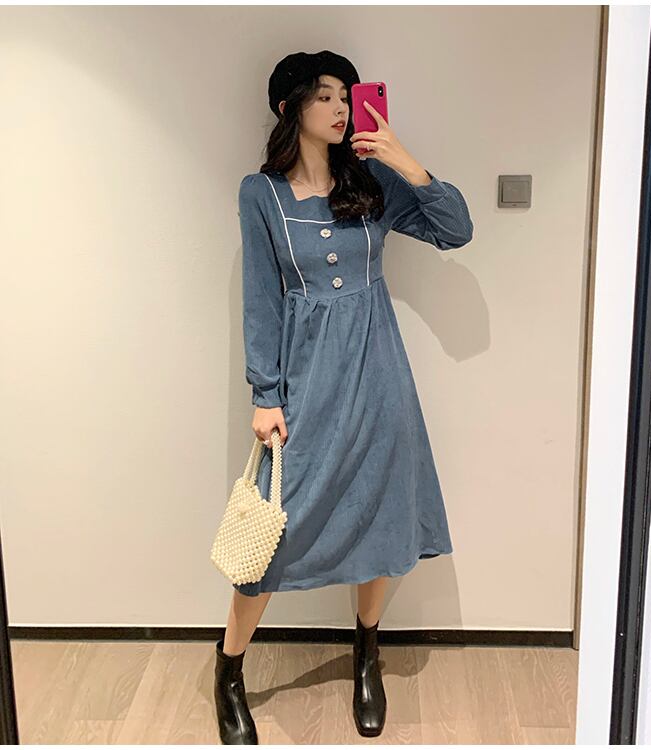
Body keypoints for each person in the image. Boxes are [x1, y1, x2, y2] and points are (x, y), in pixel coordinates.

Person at [214, 50, 474, 745]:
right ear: (289, 108)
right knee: (274, 533)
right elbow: (261, 299)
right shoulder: (261, 194)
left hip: (379, 372)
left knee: (383, 514)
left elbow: (456, 229)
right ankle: (229, 667)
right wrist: (265, 393)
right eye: (324, 96)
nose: (338, 107)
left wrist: (402, 157)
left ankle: (367, 652)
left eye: (345, 96)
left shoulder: (374, 181)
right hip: (305, 381)